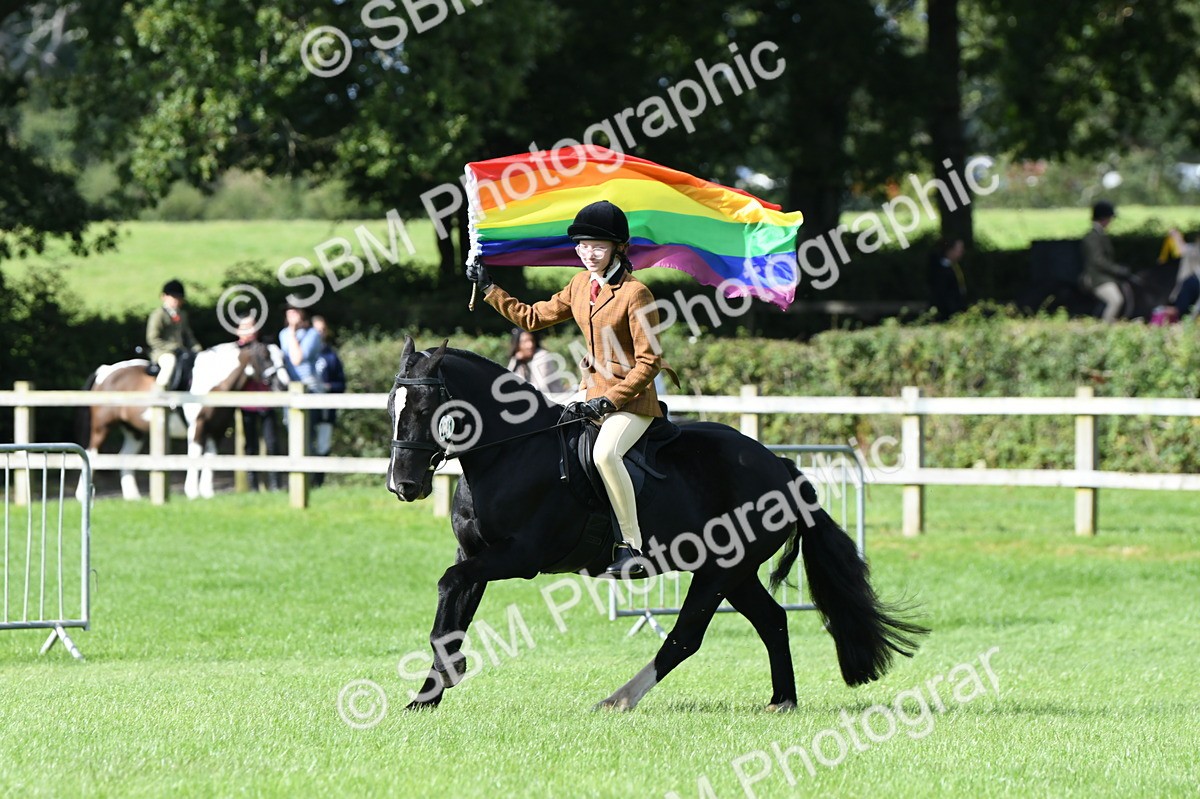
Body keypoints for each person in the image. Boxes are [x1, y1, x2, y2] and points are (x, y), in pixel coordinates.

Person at [467, 200, 672, 578]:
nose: (588, 253)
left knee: (605, 456)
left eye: (597, 246)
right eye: (582, 246)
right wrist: (489, 288)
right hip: (588, 391)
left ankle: (632, 546)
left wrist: (610, 400)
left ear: (618, 249)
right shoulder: (580, 284)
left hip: (631, 402)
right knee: (544, 436)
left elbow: (649, 362)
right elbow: (531, 317)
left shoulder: (635, 293)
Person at [236, 315, 281, 492]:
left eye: (252, 326)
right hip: (247, 404)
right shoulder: (232, 353)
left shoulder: (266, 349)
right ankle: (252, 486)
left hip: (266, 402)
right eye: (245, 327)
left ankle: (275, 484)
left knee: (272, 443)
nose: (249, 330)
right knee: (250, 446)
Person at [1080, 201, 1133, 323]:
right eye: (1110, 218)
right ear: (1103, 218)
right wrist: (1118, 269)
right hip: (1096, 277)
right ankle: (1105, 328)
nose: (1111, 221)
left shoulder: (1100, 234)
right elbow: (1098, 261)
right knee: (1115, 300)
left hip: (1105, 276)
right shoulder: (1092, 237)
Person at [147, 279, 202, 388]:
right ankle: (159, 394)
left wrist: (197, 349)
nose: (176, 300)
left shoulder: (182, 315)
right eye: (173, 297)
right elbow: (152, 338)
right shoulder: (159, 315)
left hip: (181, 352)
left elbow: (188, 336)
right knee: (169, 363)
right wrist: (173, 347)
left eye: (179, 297)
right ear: (164, 297)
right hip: (163, 352)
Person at [311, 315, 345, 488]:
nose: (320, 334)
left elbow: (341, 382)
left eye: (322, 330)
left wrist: (328, 386)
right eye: (316, 330)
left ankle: (318, 483)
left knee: (323, 445)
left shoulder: (331, 356)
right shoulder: (303, 355)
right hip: (307, 410)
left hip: (325, 410)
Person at [506, 329, 573, 402]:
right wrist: (515, 361)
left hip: (557, 402)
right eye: (525, 341)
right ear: (517, 345)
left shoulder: (542, 356)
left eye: (531, 340)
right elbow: (508, 383)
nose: (530, 345)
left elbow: (539, 388)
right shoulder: (521, 361)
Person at [926, 238, 967, 320]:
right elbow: (941, 293)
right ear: (950, 250)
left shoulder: (955, 266)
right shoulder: (941, 269)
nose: (962, 251)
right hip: (947, 311)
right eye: (959, 249)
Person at [1165, 229, 1200, 319]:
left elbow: (1182, 250)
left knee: (1182, 309)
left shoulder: (1194, 250)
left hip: (1193, 284)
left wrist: (1176, 236)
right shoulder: (1194, 249)